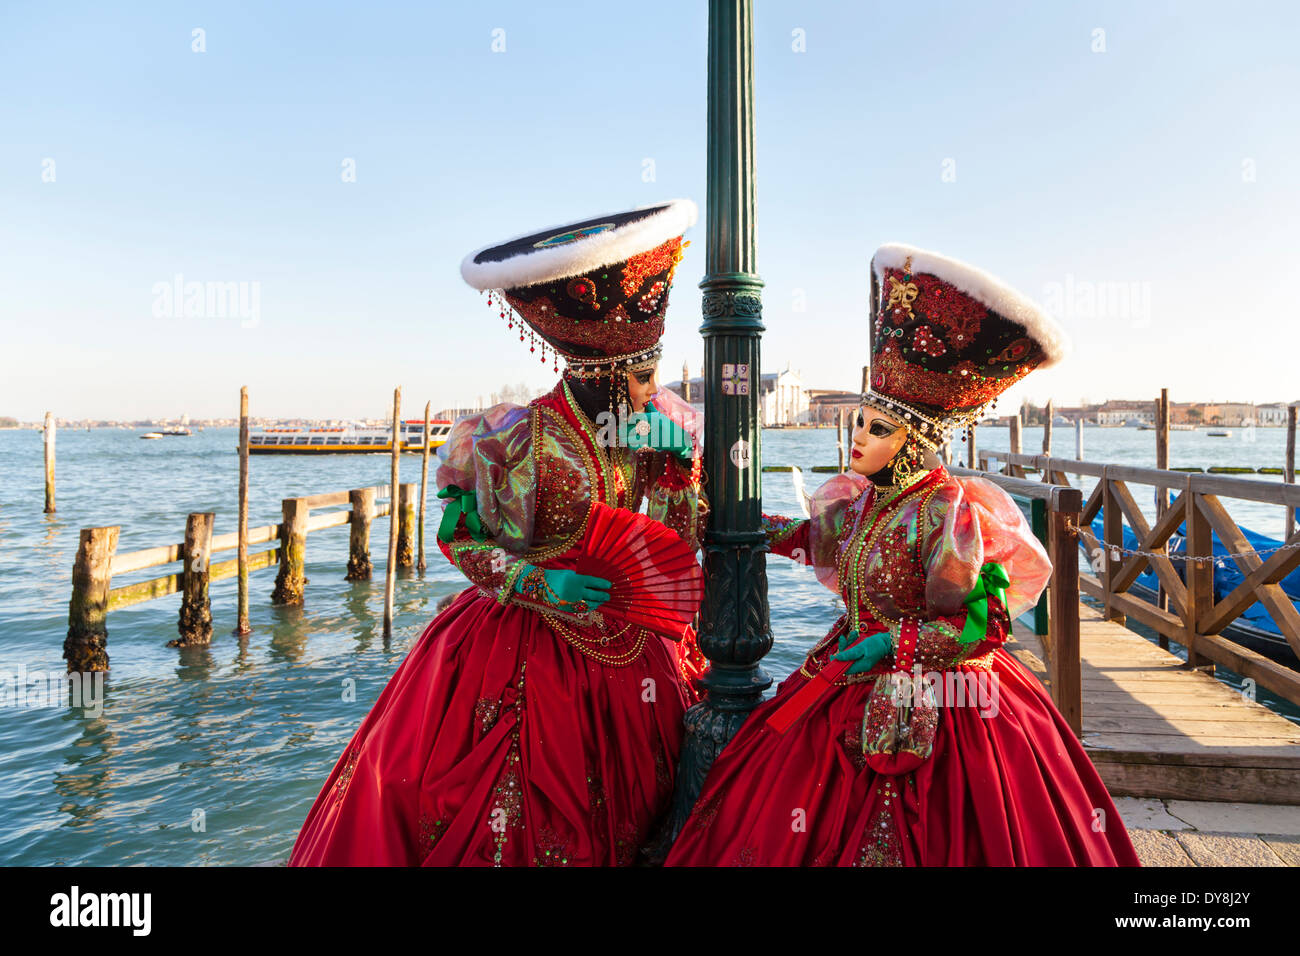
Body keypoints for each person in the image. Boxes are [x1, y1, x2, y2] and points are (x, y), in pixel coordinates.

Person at [665, 242, 1140, 866]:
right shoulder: (864, 501)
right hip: (847, 669)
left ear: (913, 442)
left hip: (939, 701)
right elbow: (816, 540)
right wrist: (731, 520)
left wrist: (897, 647)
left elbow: (986, 626)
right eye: (859, 423)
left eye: (876, 429)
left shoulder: (951, 514)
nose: (857, 437)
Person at [290, 200, 708, 866]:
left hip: (631, 649)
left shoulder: (653, 426)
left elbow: (682, 545)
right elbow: (456, 534)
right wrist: (539, 582)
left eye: (651, 376)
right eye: (636, 378)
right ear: (594, 374)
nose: (647, 392)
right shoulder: (507, 437)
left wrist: (685, 475)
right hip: (520, 647)